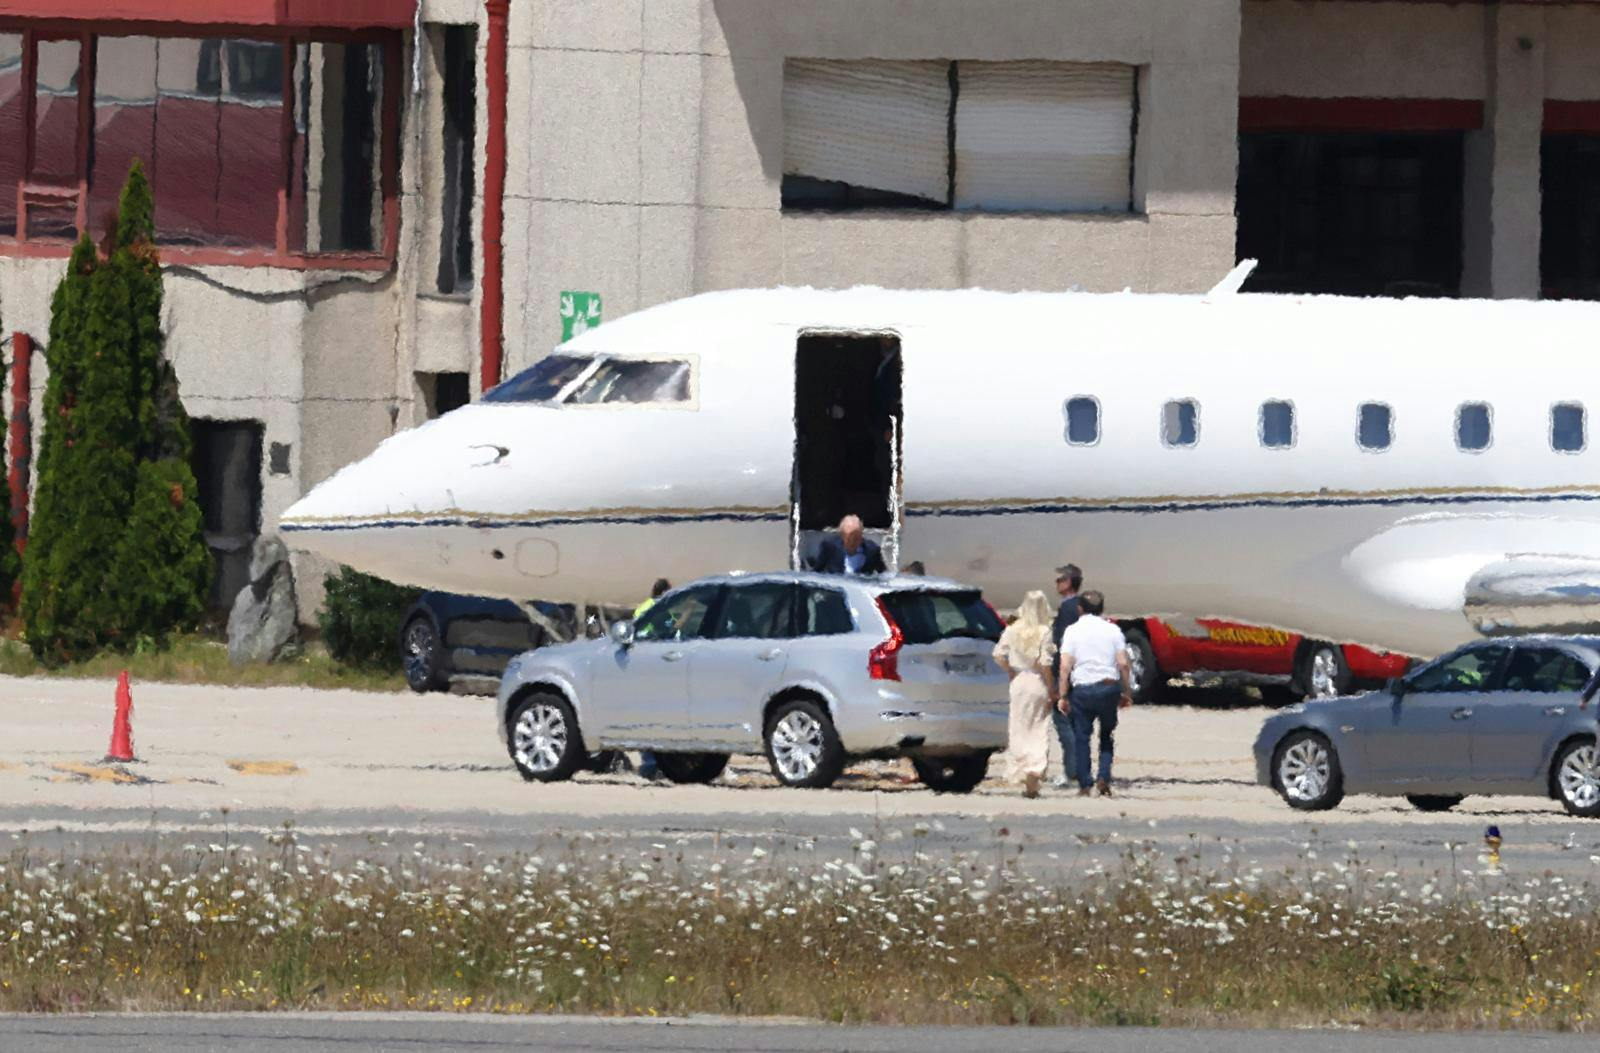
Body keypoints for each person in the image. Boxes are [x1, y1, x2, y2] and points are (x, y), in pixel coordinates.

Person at [1056, 589, 1133, 798]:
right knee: (1106, 735)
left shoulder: (1072, 631)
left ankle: (1084, 783)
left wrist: (1062, 694)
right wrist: (1126, 691)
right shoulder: (1113, 630)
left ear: (1080, 608)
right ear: (1101, 608)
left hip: (1082, 688)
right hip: (1108, 687)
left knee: (1082, 737)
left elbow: (1065, 666)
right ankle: (1104, 776)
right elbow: (1123, 663)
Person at [992, 591, 1057, 799]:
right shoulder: (1044, 631)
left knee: (1018, 727)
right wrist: (1051, 688)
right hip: (1037, 681)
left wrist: (1010, 670)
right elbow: (1045, 663)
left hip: (1018, 681)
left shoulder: (1012, 629)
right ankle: (1035, 767)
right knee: (1038, 726)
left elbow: (998, 654)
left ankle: (1022, 765)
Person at [629, 578, 672, 781]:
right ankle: (653, 764)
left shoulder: (642, 607)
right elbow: (671, 632)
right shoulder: (662, 609)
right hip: (654, 665)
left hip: (639, 663)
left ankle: (648, 762)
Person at [1049, 564, 1083, 789]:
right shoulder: (1081, 607)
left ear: (1069, 582)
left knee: (1063, 723)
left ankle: (1072, 771)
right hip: (1079, 671)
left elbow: (1063, 645)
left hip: (1067, 672)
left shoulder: (1068, 608)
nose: (1056, 583)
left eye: (1060, 579)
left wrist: (1057, 677)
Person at [809, 514, 887, 575]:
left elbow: (883, 574)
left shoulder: (872, 550)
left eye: (856, 537)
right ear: (842, 535)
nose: (853, 541)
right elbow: (816, 572)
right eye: (849, 538)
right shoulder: (829, 547)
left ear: (861, 535)